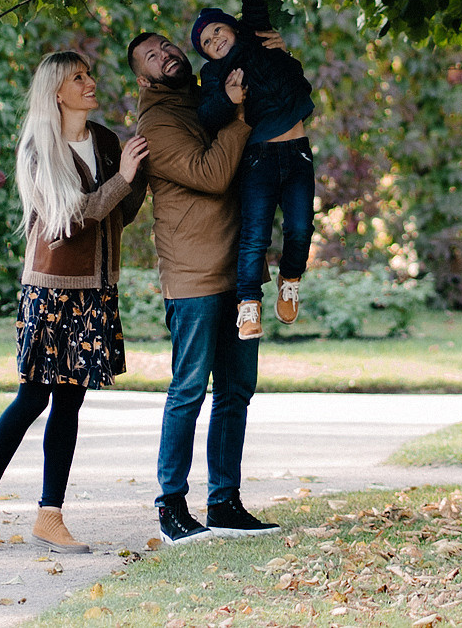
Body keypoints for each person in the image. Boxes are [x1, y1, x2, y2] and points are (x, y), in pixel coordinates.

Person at [0, 51, 146, 555]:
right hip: (49, 289)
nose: (91, 82)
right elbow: (72, 217)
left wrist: (141, 172)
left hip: (96, 290)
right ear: (57, 93)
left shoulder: (108, 142)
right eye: (79, 77)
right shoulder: (37, 149)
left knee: (70, 402)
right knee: (33, 398)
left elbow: (121, 211)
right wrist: (125, 179)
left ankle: (50, 515)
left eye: (90, 73)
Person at [127, 28, 278, 543]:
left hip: (239, 274)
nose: (165, 54)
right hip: (193, 276)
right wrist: (236, 117)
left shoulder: (206, 95)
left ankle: (224, 503)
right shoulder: (157, 122)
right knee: (188, 391)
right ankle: (171, 506)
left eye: (168, 46)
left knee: (235, 392)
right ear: (141, 76)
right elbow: (210, 174)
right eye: (151, 55)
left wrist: (267, 55)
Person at [188, 8, 318, 340]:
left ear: (234, 28)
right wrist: (229, 98)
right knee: (255, 236)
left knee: (301, 228)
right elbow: (208, 115)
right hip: (259, 158)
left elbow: (299, 83)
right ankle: (248, 304)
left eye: (218, 30)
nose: (214, 40)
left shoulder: (263, 46)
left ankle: (290, 280)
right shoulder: (215, 73)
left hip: (298, 151)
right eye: (205, 41)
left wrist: (284, 51)